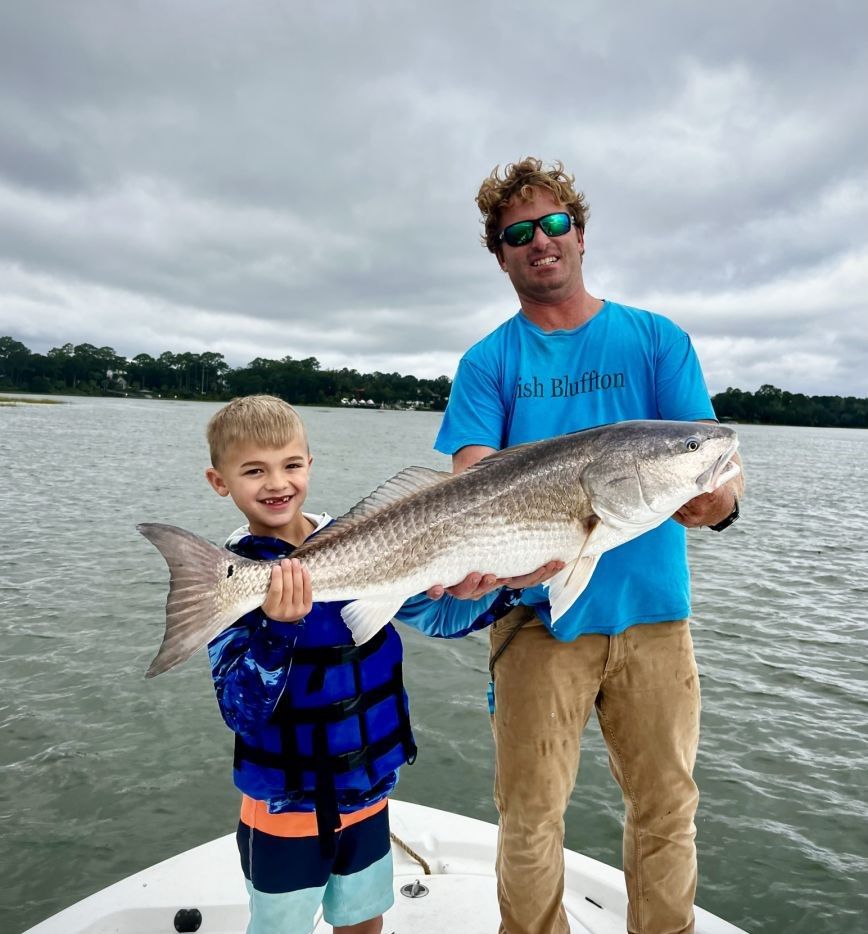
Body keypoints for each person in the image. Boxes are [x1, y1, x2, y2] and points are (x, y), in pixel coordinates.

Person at [429, 158, 745, 934]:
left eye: (556, 223)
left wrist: (718, 503)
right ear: (500, 254)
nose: (542, 241)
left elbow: (710, 465)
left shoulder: (655, 340)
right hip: (537, 621)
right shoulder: (488, 363)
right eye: (519, 233)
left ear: (580, 231)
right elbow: (471, 477)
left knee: (667, 808)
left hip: (654, 617)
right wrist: (479, 560)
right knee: (530, 816)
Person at [203, 394, 414, 934]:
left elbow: (434, 611)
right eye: (254, 470)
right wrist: (275, 631)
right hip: (284, 807)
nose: (277, 483)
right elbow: (240, 710)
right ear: (219, 481)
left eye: (291, 465)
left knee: (365, 920)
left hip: (367, 791)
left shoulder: (363, 540)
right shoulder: (229, 578)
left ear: (310, 466)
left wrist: (503, 588)